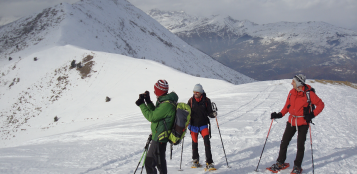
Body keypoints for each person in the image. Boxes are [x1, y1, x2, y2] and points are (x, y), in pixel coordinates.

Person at [268, 74, 324, 174]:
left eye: (293, 81)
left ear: (298, 82)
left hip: (303, 122)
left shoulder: (309, 94)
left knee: (300, 145)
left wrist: (311, 115)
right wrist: (279, 114)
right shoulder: (291, 93)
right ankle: (280, 162)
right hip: (291, 121)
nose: (291, 83)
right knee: (284, 142)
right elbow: (287, 106)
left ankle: (297, 166)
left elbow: (321, 104)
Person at [135, 79, 178, 174]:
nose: (154, 92)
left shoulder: (166, 105)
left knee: (149, 163)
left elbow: (152, 117)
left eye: (155, 90)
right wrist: (148, 101)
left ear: (159, 90)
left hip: (159, 138)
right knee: (160, 162)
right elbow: (157, 113)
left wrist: (142, 104)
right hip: (160, 136)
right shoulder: (165, 101)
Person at [187, 84, 217, 171]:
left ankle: (209, 162)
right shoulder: (191, 101)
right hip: (193, 125)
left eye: (197, 92)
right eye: (194, 92)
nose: (195, 93)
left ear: (200, 92)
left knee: (207, 143)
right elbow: (187, 112)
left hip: (203, 124)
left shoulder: (207, 101)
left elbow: (209, 113)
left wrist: (213, 114)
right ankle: (195, 160)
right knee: (194, 143)